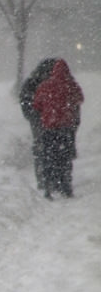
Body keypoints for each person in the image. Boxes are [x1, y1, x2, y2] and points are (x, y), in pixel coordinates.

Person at [32, 59, 84, 199]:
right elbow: (80, 99)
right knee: (64, 158)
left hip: (49, 128)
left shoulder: (45, 86)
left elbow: (36, 105)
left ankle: (48, 187)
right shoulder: (71, 85)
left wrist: (46, 114)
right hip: (65, 129)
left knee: (49, 157)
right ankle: (65, 186)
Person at [20, 59, 57, 190]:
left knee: (41, 149)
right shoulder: (55, 83)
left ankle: (43, 179)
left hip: (40, 121)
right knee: (53, 149)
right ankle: (52, 179)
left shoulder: (32, 83)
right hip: (51, 122)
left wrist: (33, 116)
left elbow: (25, 101)